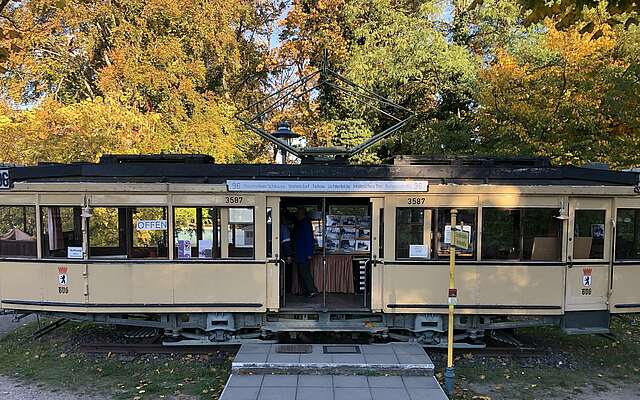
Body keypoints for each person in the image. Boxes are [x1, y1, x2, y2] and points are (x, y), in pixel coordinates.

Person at [293, 207, 318, 298]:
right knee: (302, 272)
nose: (297, 215)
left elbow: (309, 239)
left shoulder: (305, 223)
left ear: (302, 214)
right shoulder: (302, 223)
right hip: (301, 253)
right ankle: (306, 291)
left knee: (305, 272)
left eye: (298, 213)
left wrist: (309, 253)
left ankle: (311, 291)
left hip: (303, 254)